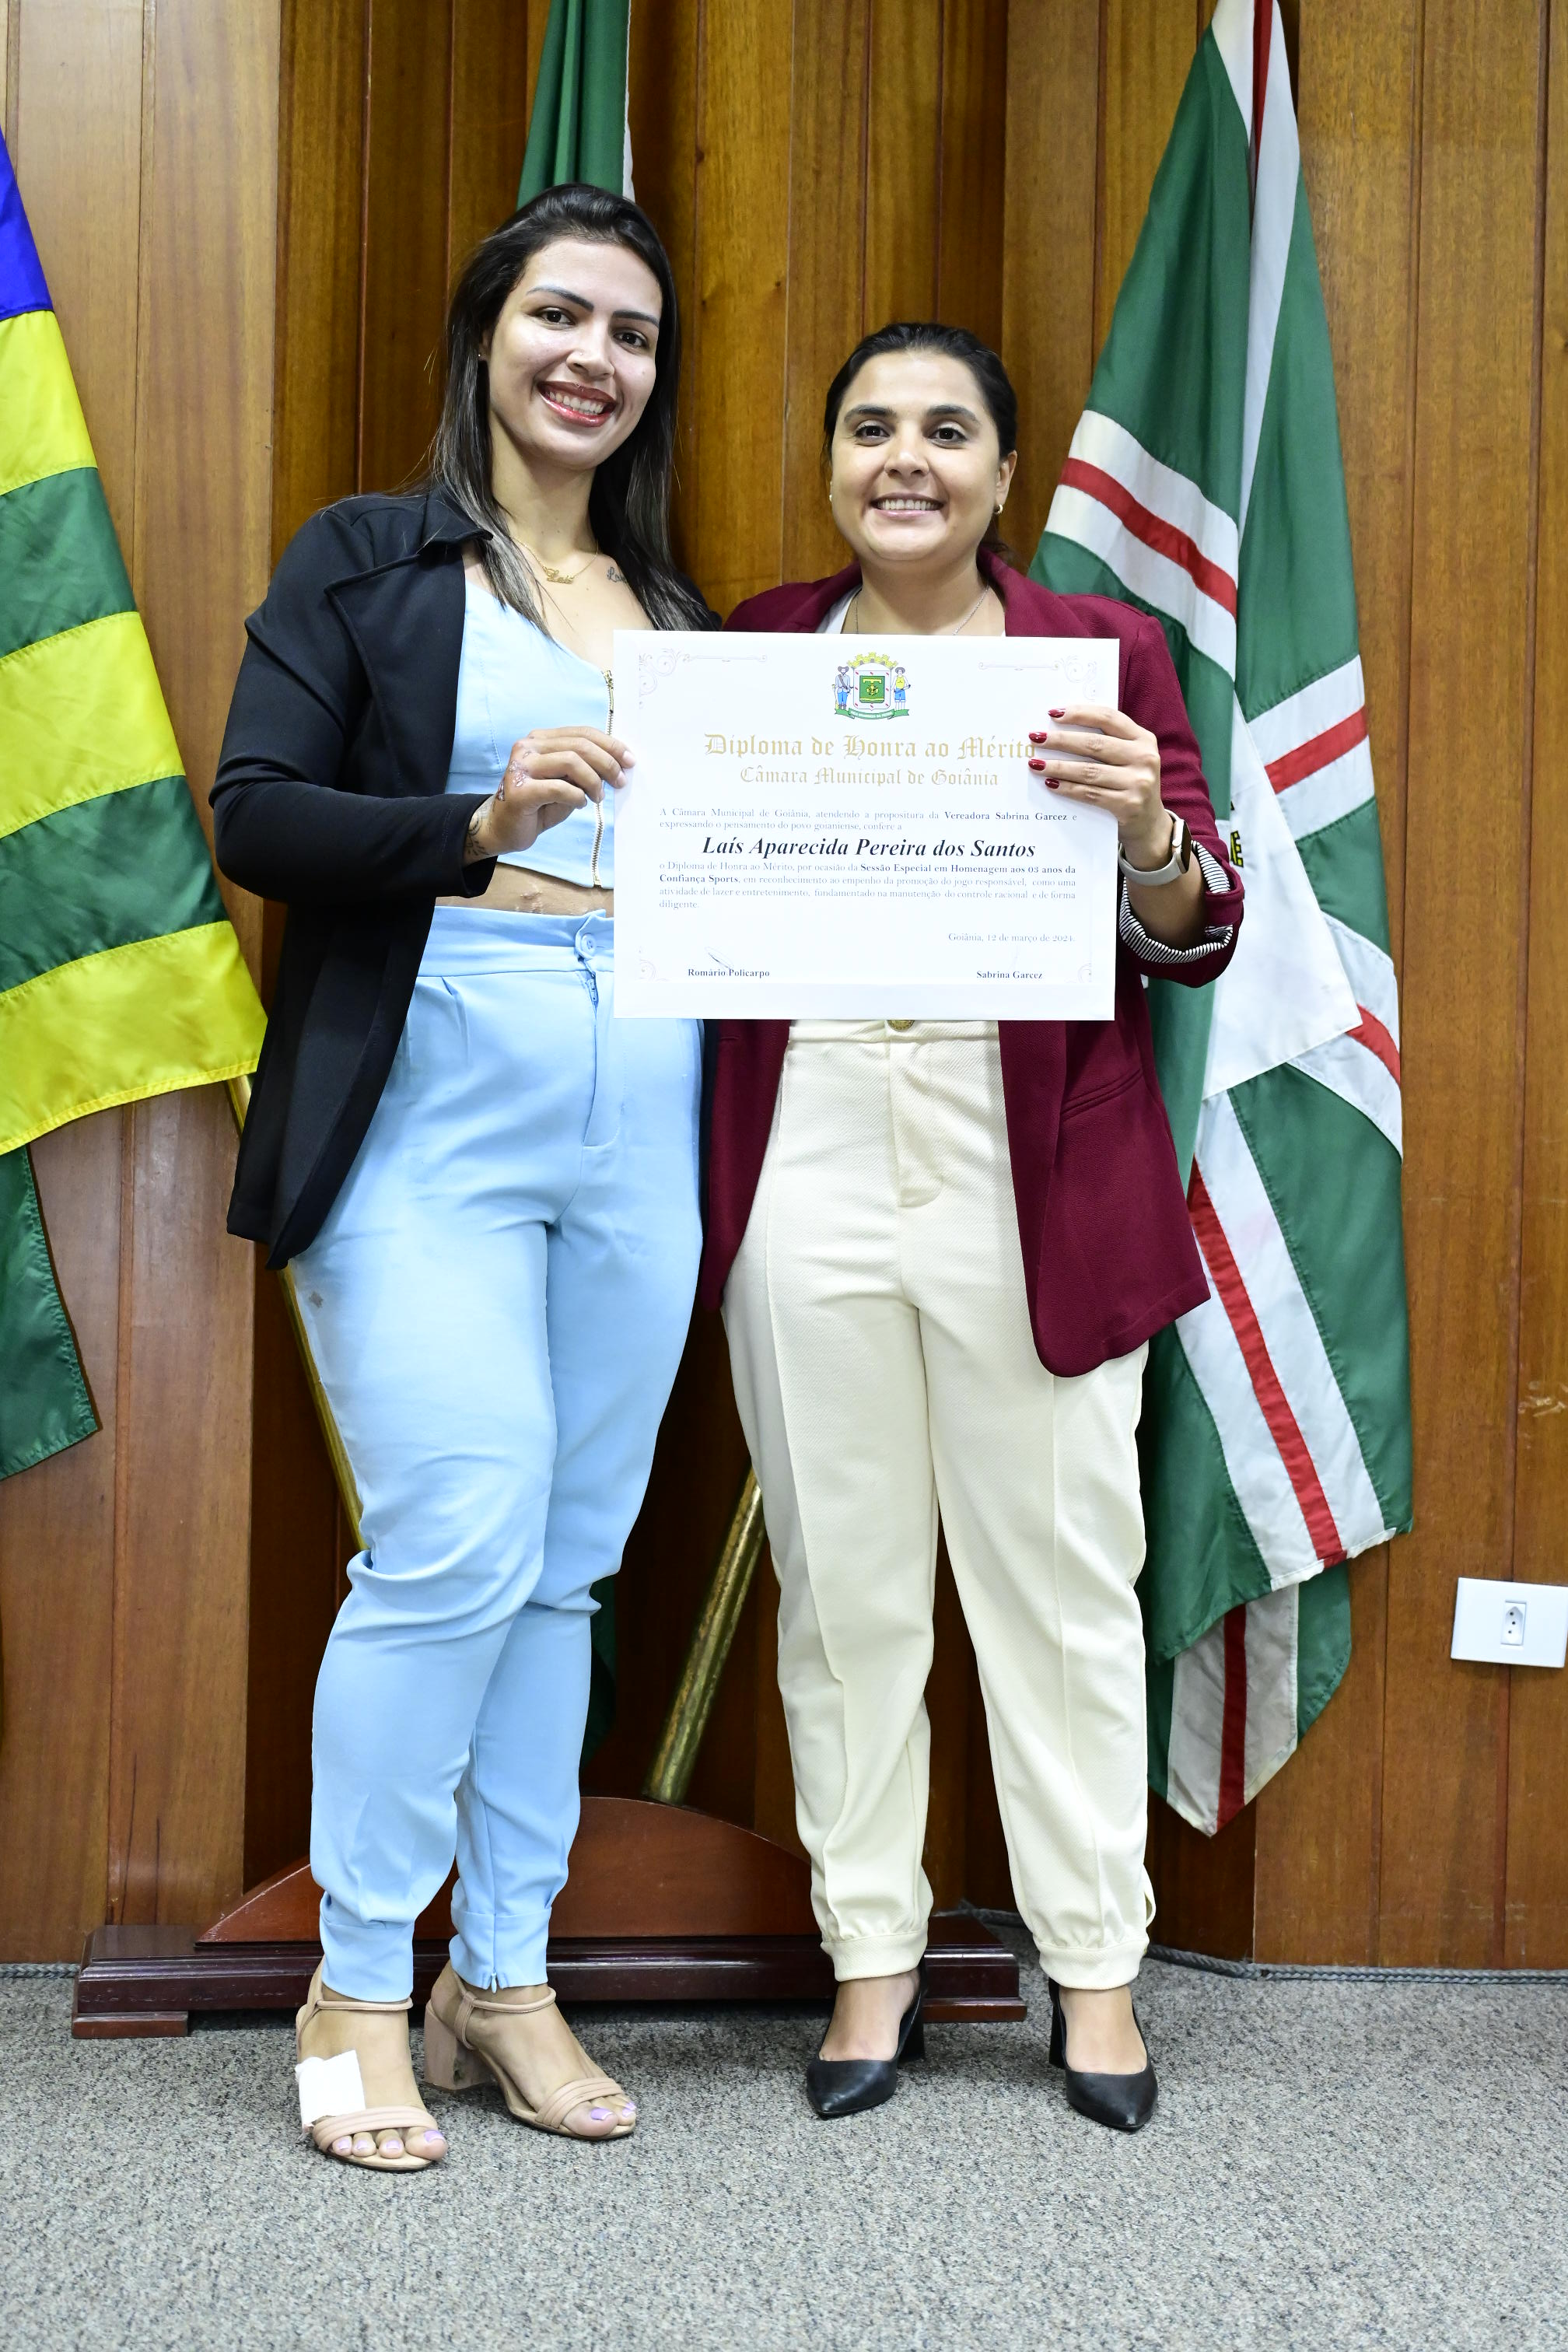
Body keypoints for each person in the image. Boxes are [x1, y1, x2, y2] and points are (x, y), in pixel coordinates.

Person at [212, 185, 712, 2171]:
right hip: (432, 1077)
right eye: (559, 316)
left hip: (647, 1098)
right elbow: (258, 815)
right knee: (454, 1535)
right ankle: (354, 1983)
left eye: (633, 333)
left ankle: (501, 1979)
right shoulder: (369, 555)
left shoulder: (681, 615)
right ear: (486, 333)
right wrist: (471, 820)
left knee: (568, 1558)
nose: (595, 358)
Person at [703, 322, 1244, 2132]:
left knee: (1064, 1583)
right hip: (806, 1138)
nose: (905, 460)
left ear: (1007, 474)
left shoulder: (1102, 655)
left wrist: (1146, 827)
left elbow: (1197, 929)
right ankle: (873, 1959)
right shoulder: (756, 656)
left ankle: (1093, 1974)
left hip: (1034, 1159)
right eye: (870, 428)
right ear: (832, 464)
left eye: (947, 431)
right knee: (843, 1583)